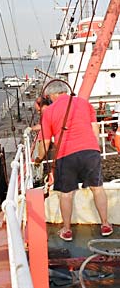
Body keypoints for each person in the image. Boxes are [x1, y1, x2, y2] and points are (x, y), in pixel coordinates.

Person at [36, 80, 113, 241]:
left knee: (66, 194)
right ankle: (105, 224)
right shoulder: (84, 104)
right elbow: (94, 128)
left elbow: (45, 142)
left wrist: (38, 158)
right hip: (90, 151)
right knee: (97, 188)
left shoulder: (49, 111)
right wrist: (95, 148)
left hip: (66, 154)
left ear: (51, 95)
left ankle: (67, 230)